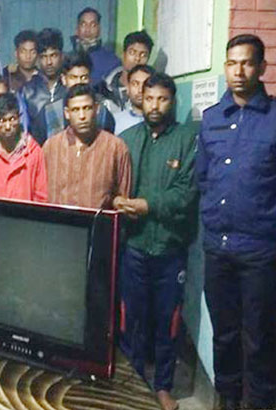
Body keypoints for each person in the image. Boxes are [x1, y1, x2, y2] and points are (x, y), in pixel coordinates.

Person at [197, 34, 276, 410]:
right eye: (231, 63)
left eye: (246, 63)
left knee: (260, 335)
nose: (238, 71)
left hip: (260, 250)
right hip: (218, 248)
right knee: (224, 332)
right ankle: (227, 398)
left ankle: (260, 401)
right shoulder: (212, 118)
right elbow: (203, 177)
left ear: (261, 68)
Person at [116, 73, 198, 410]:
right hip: (134, 246)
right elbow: (116, 185)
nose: (155, 106)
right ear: (140, 99)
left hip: (169, 247)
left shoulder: (187, 139)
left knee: (168, 321)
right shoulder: (127, 139)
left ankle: (163, 386)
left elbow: (187, 194)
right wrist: (117, 201)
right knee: (131, 319)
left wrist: (148, 206)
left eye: (162, 99)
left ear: (172, 102)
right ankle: (133, 384)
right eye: (149, 98)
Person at [43, 84, 131, 209]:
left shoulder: (115, 148)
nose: (82, 116)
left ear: (97, 108)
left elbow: (123, 196)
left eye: (87, 108)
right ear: (67, 113)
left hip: (98, 221)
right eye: (75, 110)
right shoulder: (51, 147)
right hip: (57, 220)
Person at [30, 52, 115, 145]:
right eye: (73, 78)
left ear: (90, 80)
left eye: (83, 77)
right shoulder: (47, 114)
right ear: (64, 79)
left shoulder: (102, 114)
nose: (78, 82)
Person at [100, 31, 154, 114]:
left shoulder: (153, 91)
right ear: (123, 54)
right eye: (132, 52)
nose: (137, 58)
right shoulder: (103, 89)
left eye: (143, 55)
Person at [20, 28, 66, 124]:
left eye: (53, 55)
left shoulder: (69, 87)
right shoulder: (28, 91)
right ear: (38, 59)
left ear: (62, 56)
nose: (49, 62)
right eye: (44, 57)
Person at [69, 7, 120, 83]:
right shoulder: (67, 59)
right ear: (77, 29)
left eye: (93, 25)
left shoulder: (112, 60)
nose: (87, 30)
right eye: (83, 25)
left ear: (99, 30)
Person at [113, 64, 155, 135]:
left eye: (145, 84)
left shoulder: (162, 123)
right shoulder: (115, 122)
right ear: (127, 88)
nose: (140, 90)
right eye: (135, 84)